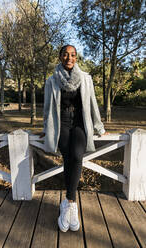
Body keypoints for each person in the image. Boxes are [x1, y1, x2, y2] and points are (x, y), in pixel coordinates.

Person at [40, 45, 108, 232]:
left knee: (77, 156)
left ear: (76, 58)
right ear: (60, 57)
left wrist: (99, 127)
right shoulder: (51, 81)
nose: (69, 58)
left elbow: (93, 104)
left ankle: (70, 203)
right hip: (61, 123)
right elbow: (47, 108)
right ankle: (69, 204)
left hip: (79, 123)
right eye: (65, 54)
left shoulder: (85, 79)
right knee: (67, 157)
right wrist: (46, 129)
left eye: (73, 55)